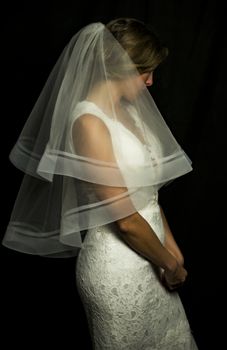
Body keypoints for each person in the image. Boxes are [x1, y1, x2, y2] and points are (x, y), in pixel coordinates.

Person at [3, 17, 198, 349]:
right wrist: (169, 264)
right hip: (119, 268)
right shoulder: (89, 123)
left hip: (155, 253)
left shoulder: (130, 111)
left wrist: (172, 249)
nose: (150, 82)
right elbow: (124, 219)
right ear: (118, 69)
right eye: (143, 71)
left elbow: (145, 194)